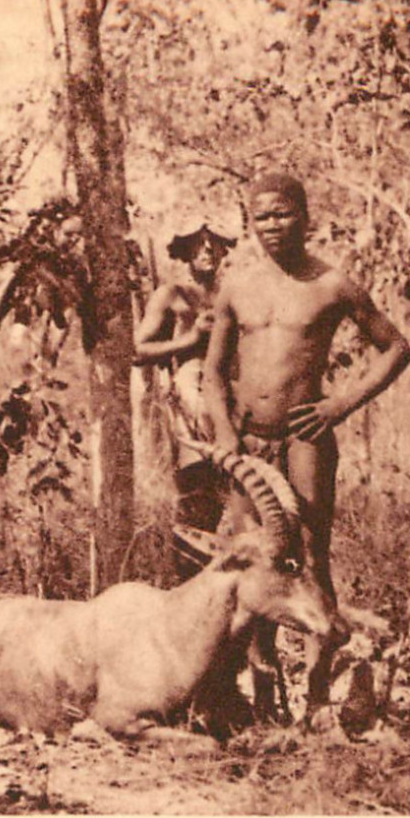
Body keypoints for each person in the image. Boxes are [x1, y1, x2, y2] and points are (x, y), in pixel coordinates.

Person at [201, 172, 410, 717]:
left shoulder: (332, 285)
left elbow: (396, 347)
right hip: (248, 443)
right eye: (262, 216)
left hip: (304, 439)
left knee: (311, 560)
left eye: (283, 213)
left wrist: (338, 405)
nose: (273, 226)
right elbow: (213, 371)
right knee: (253, 561)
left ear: (305, 215)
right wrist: (225, 437)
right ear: (250, 223)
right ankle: (265, 696)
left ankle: (317, 698)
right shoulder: (237, 286)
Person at [134, 220, 235, 575]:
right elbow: (139, 349)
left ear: (225, 250)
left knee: (235, 495)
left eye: (215, 244)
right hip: (193, 401)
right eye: (198, 243)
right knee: (197, 492)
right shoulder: (172, 294)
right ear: (185, 251)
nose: (207, 250)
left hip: (234, 399)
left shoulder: (232, 294)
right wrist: (190, 340)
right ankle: (186, 578)